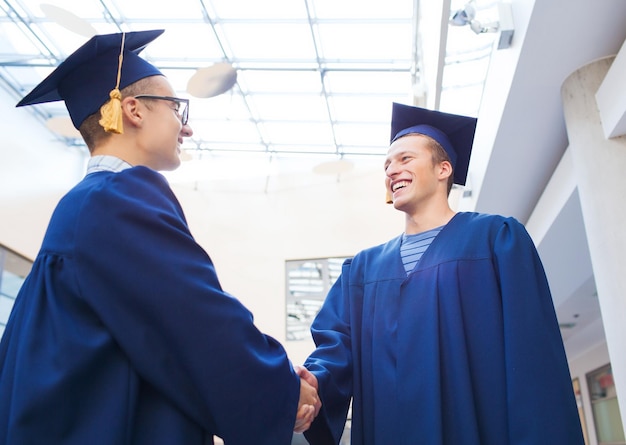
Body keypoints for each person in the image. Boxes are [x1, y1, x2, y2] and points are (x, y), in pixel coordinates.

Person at [0, 29, 319, 445]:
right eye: (176, 109)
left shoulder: (82, 206)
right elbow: (195, 319)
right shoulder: (119, 198)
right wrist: (282, 387)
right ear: (132, 110)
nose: (186, 129)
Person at [297, 103, 585, 444]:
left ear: (443, 168)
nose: (391, 171)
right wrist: (310, 387)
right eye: (387, 164)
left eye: (405, 159)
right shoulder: (361, 270)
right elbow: (335, 347)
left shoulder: (496, 241)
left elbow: (532, 358)